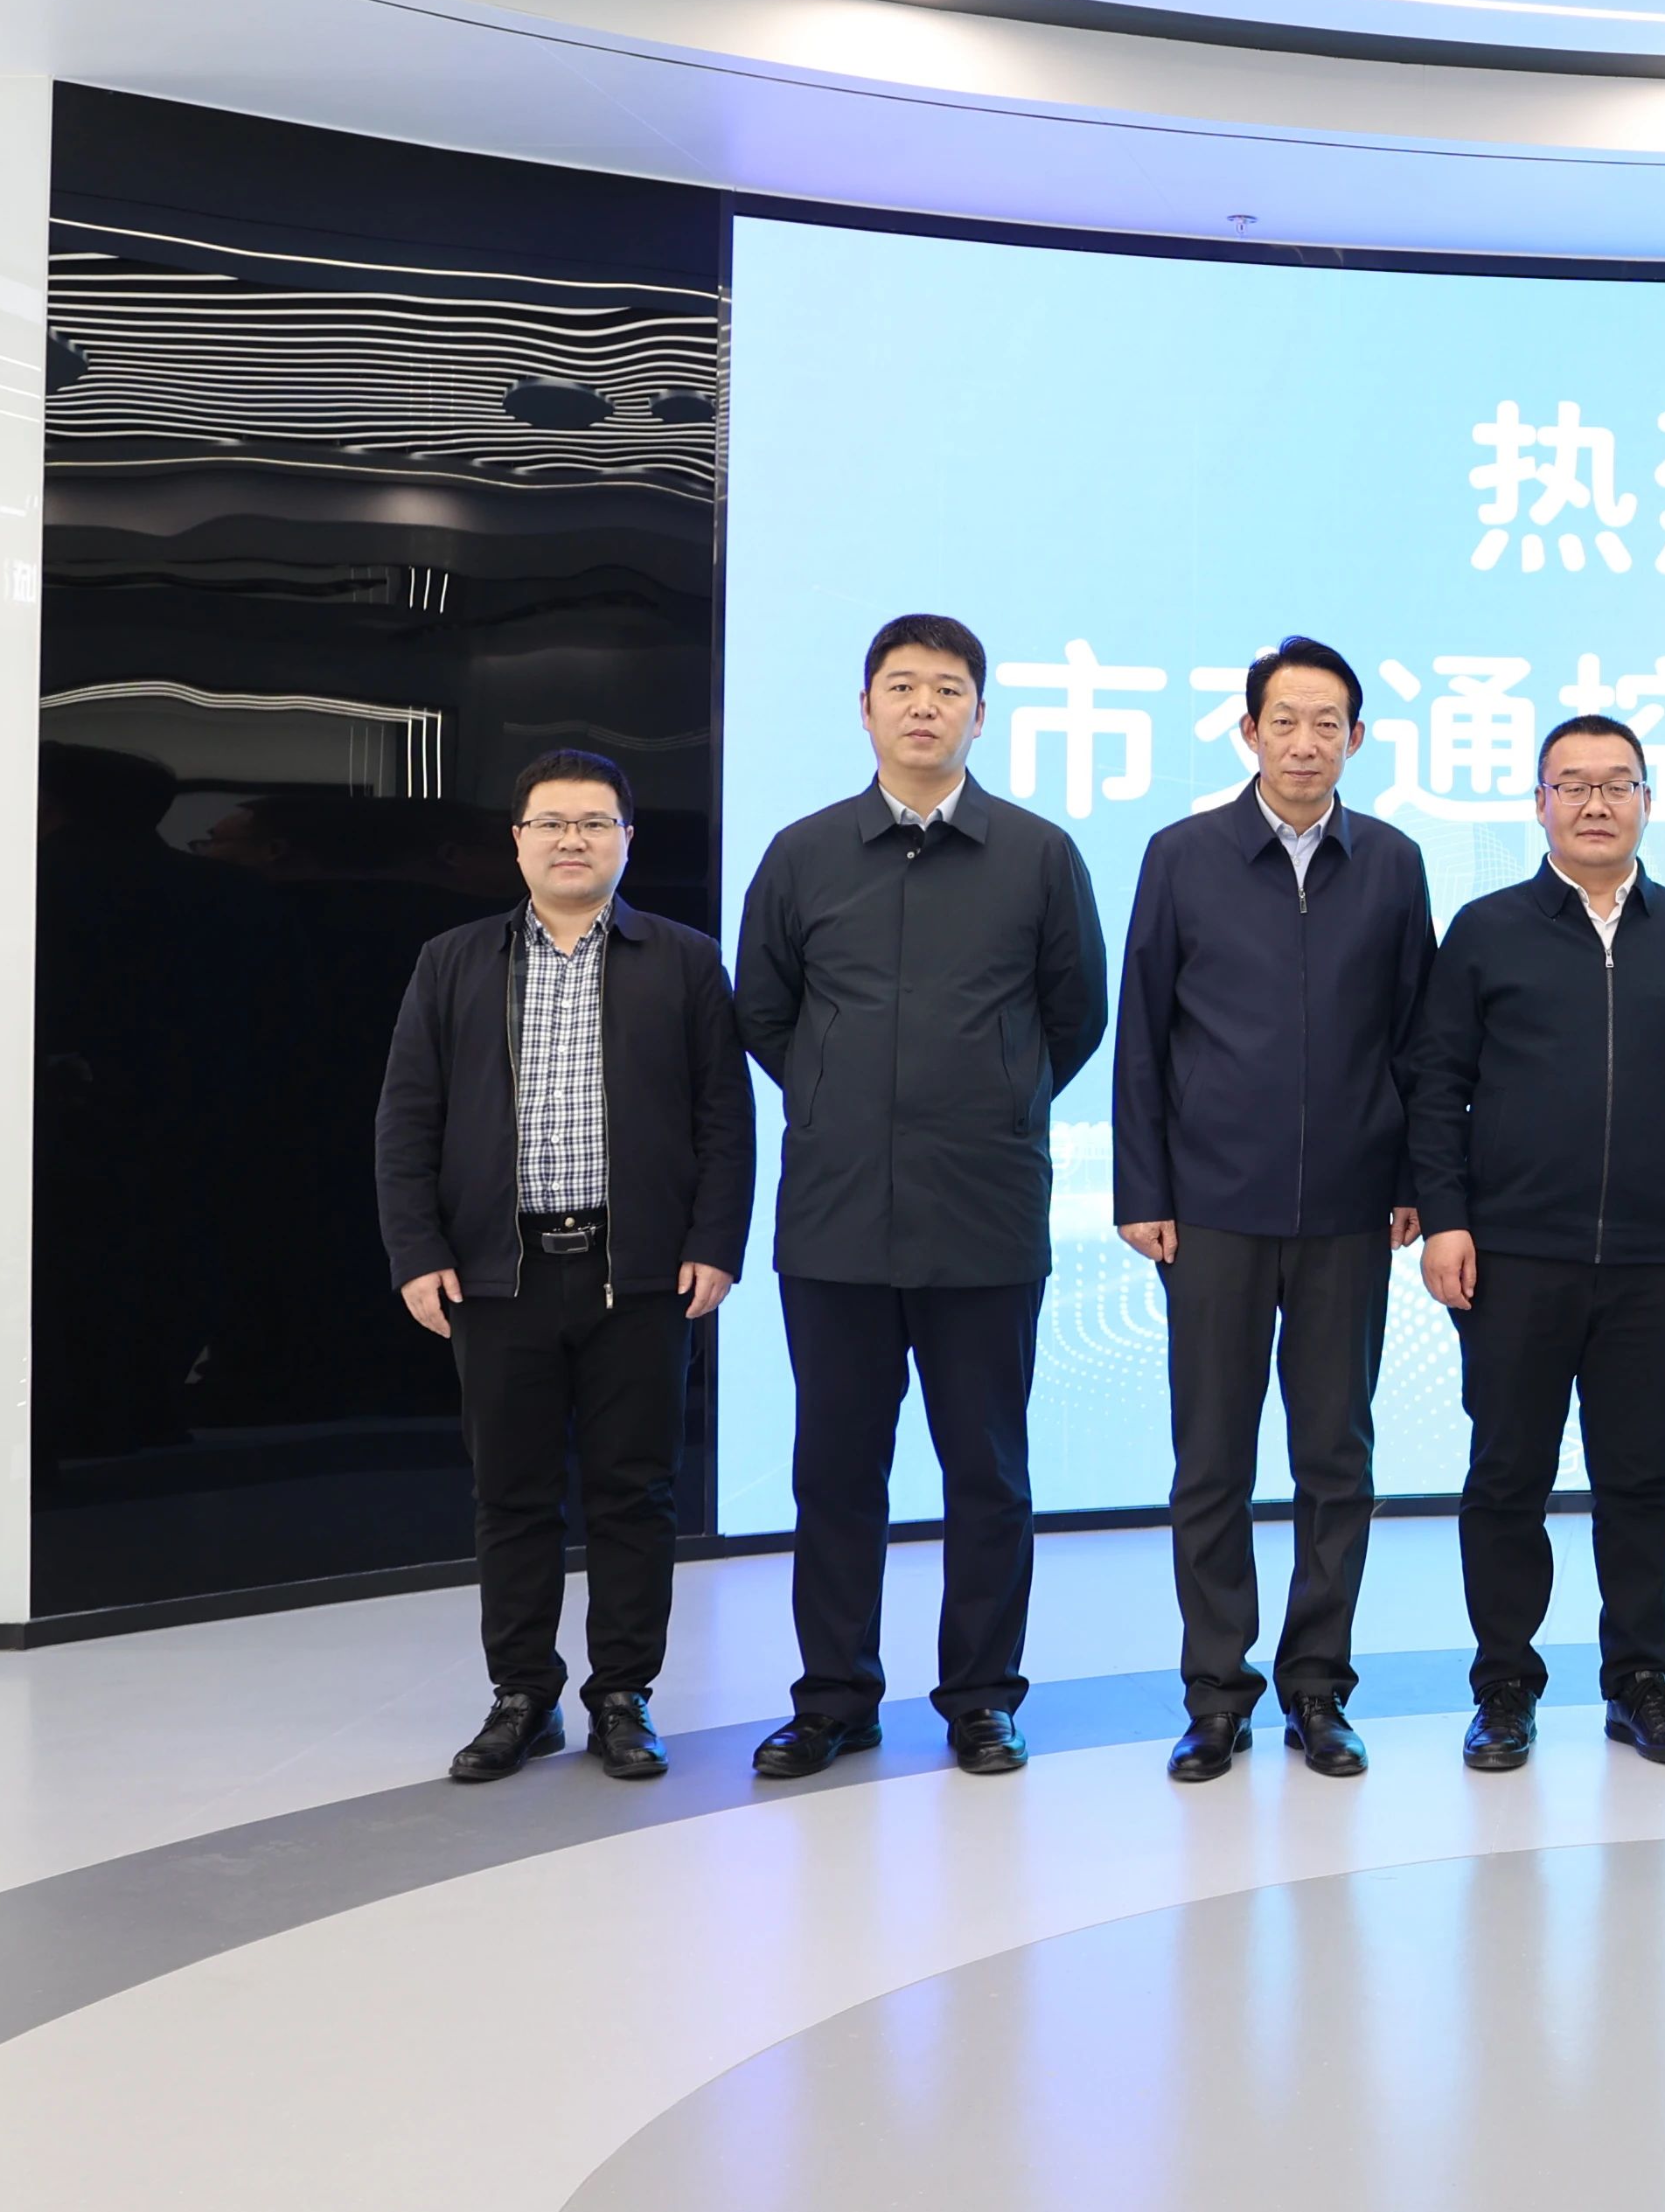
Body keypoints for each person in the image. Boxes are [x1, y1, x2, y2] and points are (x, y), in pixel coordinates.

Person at [735, 613, 1109, 1782]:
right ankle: (835, 1697)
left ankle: (983, 1699)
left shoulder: (1038, 855)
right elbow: (764, 1011)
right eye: (902, 687)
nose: (924, 707)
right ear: (865, 709)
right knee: (835, 1474)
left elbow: (1076, 1015)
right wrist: (841, 1097)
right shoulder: (803, 853)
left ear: (980, 716)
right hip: (837, 1217)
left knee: (986, 1474)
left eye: (948, 689)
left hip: (984, 1212)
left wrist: (992, 1096)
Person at [375, 751, 749, 1787]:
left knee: (637, 1493)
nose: (572, 839)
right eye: (551, 823)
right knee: (512, 1493)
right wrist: (417, 1250)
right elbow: (406, 1118)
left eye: (594, 822)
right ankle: (522, 1696)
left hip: (640, 1275)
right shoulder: (454, 961)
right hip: (500, 1275)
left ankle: (622, 1695)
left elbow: (726, 1118)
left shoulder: (683, 961)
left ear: (628, 840)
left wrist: (714, 1242)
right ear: (517, 842)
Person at [1111, 636, 1433, 1784]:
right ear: (1249, 732)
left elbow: (1418, 1037)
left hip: (1350, 1207)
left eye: (1327, 723)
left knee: (1335, 1457)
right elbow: (1142, 1033)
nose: (1305, 743)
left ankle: (1318, 1687)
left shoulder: (1391, 862)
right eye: (1284, 721)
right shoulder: (1183, 855)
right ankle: (1215, 1693)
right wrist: (1144, 1190)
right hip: (1211, 1207)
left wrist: (1413, 1181)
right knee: (1212, 1460)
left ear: (1358, 738)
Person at [1411, 713, 1665, 1771]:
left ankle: (1639, 1680)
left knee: (1640, 1478)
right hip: (1514, 1254)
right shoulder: (1487, 929)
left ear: (1648, 799)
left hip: (1653, 1256)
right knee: (1507, 1476)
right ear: (1540, 803)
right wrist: (1447, 1217)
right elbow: (1438, 1086)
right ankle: (1504, 1687)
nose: (1597, 804)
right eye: (1575, 785)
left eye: (1617, 784)